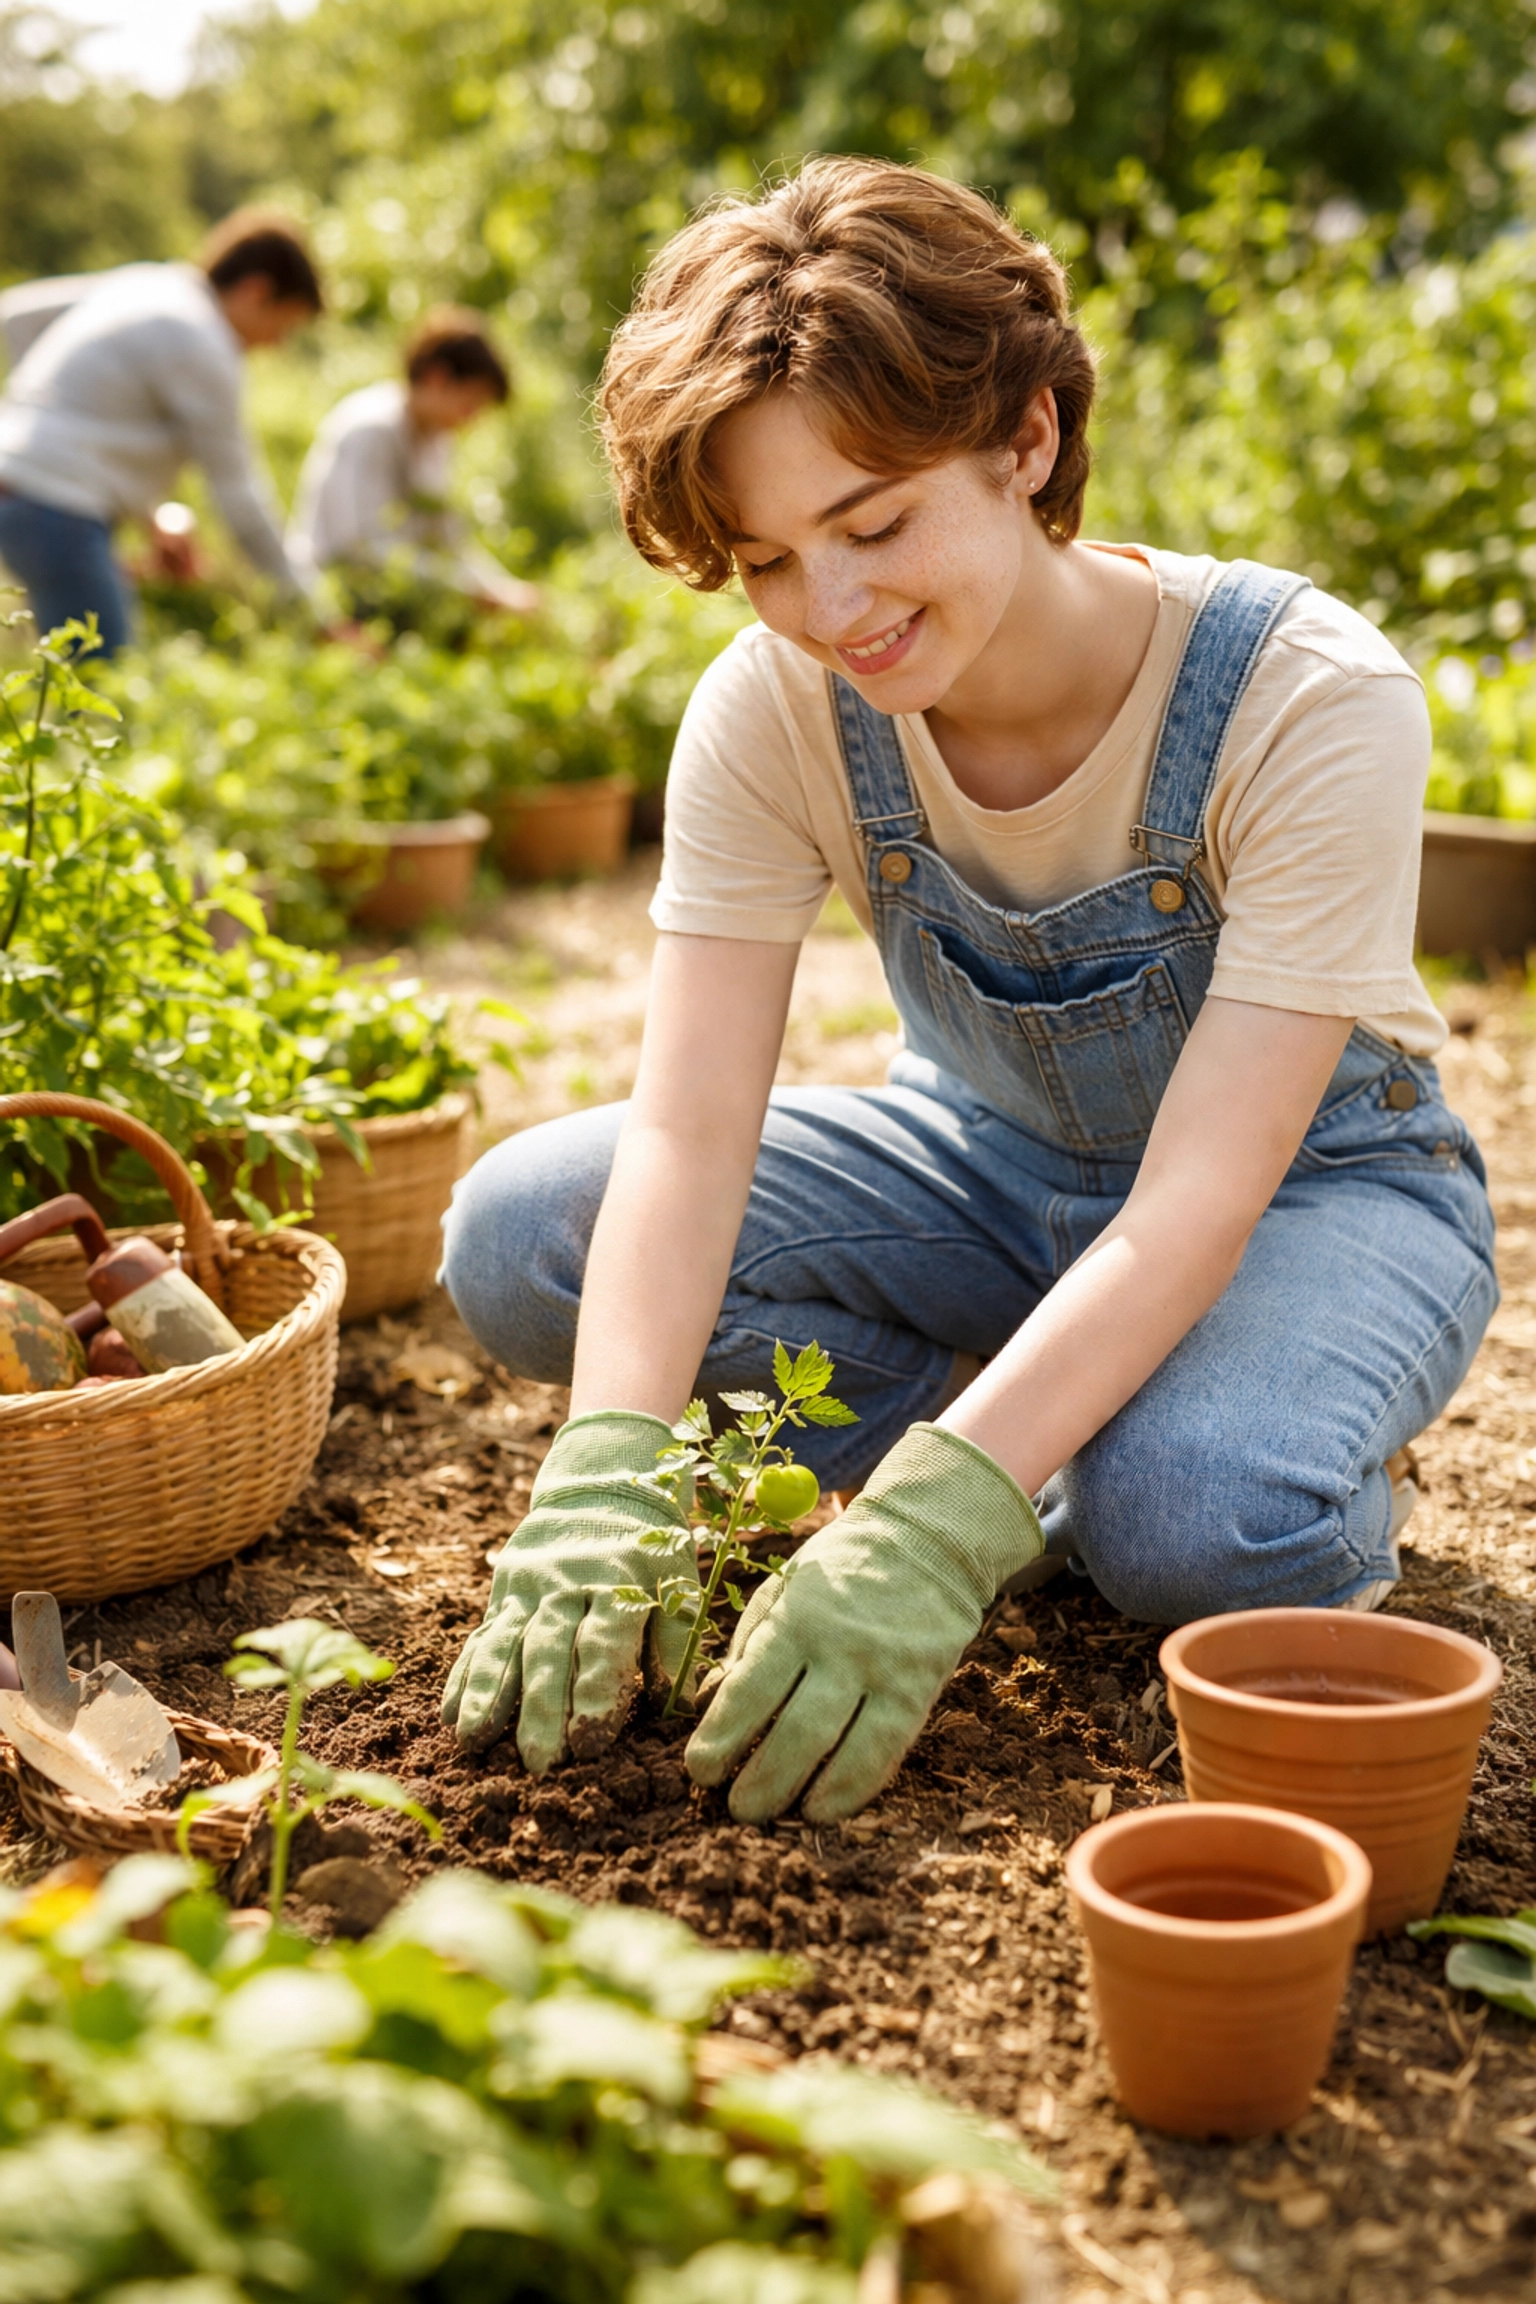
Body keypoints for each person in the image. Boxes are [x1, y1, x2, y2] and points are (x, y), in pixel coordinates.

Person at [437, 159, 1497, 1827]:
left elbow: (1201, 1195)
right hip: (984, 1167)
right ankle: (1035, 1438)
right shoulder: (773, 706)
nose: (831, 609)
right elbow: (692, 1125)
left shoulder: (1305, 696)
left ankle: (1092, 1457)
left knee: (1198, 1525)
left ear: (1027, 441)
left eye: (871, 524)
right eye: (769, 559)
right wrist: (605, 1463)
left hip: (1308, 1194)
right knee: (522, 1238)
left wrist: (931, 1522)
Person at [0, 209, 323, 655]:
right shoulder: (204, 341)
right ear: (256, 291)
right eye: (283, 325)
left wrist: (34, 430)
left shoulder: (150, 284)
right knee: (101, 691)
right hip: (56, 510)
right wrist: (313, 611)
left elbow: (16, 317)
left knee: (70, 677)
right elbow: (240, 497)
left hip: (20, 487)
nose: (275, 344)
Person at [286, 306, 539, 614]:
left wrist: (501, 588)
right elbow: (360, 548)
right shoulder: (371, 427)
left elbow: (447, 538)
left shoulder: (435, 440)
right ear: (437, 378)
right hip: (331, 595)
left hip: (397, 595)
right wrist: (471, 590)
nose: (471, 419)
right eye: (469, 403)